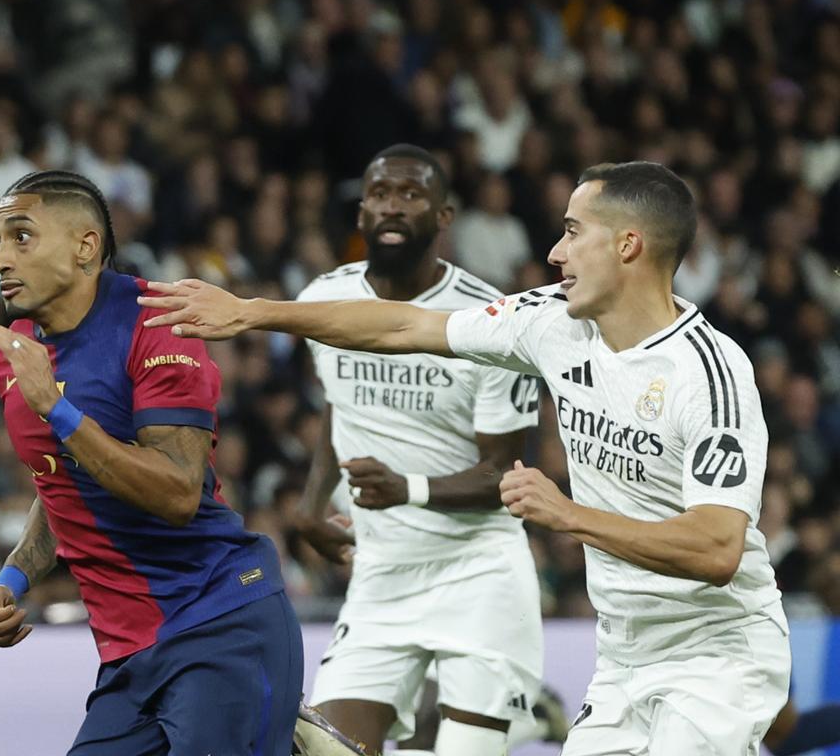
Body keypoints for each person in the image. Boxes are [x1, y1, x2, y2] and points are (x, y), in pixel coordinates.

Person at [139, 161, 792, 755]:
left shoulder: (708, 374)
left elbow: (716, 550)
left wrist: (569, 516)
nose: (554, 251)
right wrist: (254, 313)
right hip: (624, 652)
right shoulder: (549, 321)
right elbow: (402, 325)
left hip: (718, 650)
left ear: (628, 245)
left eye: (572, 231)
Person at [0, 170, 303, 755]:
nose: (0, 259)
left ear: (85, 247)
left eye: (21, 237)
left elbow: (177, 492)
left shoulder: (156, 322)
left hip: (218, 625)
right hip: (127, 657)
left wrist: (58, 409)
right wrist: (12, 579)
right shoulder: (15, 355)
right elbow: (63, 483)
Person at [292, 144, 548, 756]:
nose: (392, 206)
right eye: (380, 193)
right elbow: (338, 404)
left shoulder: (490, 320)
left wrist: (408, 488)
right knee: (324, 750)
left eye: (411, 195)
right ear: (360, 213)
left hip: (479, 573)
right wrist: (309, 505)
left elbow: (506, 476)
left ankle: (531, 717)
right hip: (381, 575)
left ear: (443, 216)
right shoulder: (321, 301)